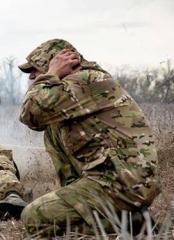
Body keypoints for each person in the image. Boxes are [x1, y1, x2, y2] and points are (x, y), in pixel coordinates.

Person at [17, 39, 161, 236]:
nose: (32, 76)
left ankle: (131, 225)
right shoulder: (73, 88)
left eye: (35, 69)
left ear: (59, 62)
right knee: (52, 127)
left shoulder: (86, 80)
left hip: (121, 183)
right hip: (113, 179)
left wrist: (50, 73)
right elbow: (35, 122)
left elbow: (32, 111)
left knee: (34, 216)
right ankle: (124, 220)